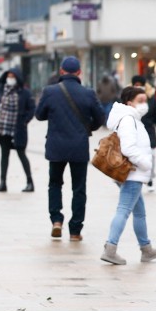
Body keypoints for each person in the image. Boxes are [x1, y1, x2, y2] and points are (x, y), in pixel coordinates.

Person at [35, 56, 105, 241]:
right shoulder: (88, 93)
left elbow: (39, 115)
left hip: (56, 146)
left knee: (55, 184)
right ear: (79, 72)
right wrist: (87, 128)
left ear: (61, 71)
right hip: (79, 147)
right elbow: (100, 118)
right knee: (79, 188)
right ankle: (75, 231)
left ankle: (56, 220)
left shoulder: (50, 91)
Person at [100, 85, 156, 265]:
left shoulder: (131, 118)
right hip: (133, 173)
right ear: (130, 103)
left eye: (146, 100)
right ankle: (110, 248)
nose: (145, 104)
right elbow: (129, 148)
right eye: (140, 101)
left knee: (140, 213)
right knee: (124, 210)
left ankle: (146, 249)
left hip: (132, 173)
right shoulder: (129, 119)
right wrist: (146, 164)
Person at [0, 68, 36, 193]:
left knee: (21, 154)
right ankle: (3, 182)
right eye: (8, 76)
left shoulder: (25, 93)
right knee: (4, 156)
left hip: (18, 129)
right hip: (3, 129)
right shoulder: (1, 90)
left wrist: (24, 121)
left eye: (12, 76)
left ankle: (30, 182)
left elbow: (32, 109)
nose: (10, 78)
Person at [132, 75, 156, 192]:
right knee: (134, 157)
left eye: (140, 85)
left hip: (149, 133)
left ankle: (150, 179)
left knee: (150, 157)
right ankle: (134, 179)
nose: (138, 87)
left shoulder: (151, 99)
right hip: (133, 133)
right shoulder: (129, 99)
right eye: (135, 85)